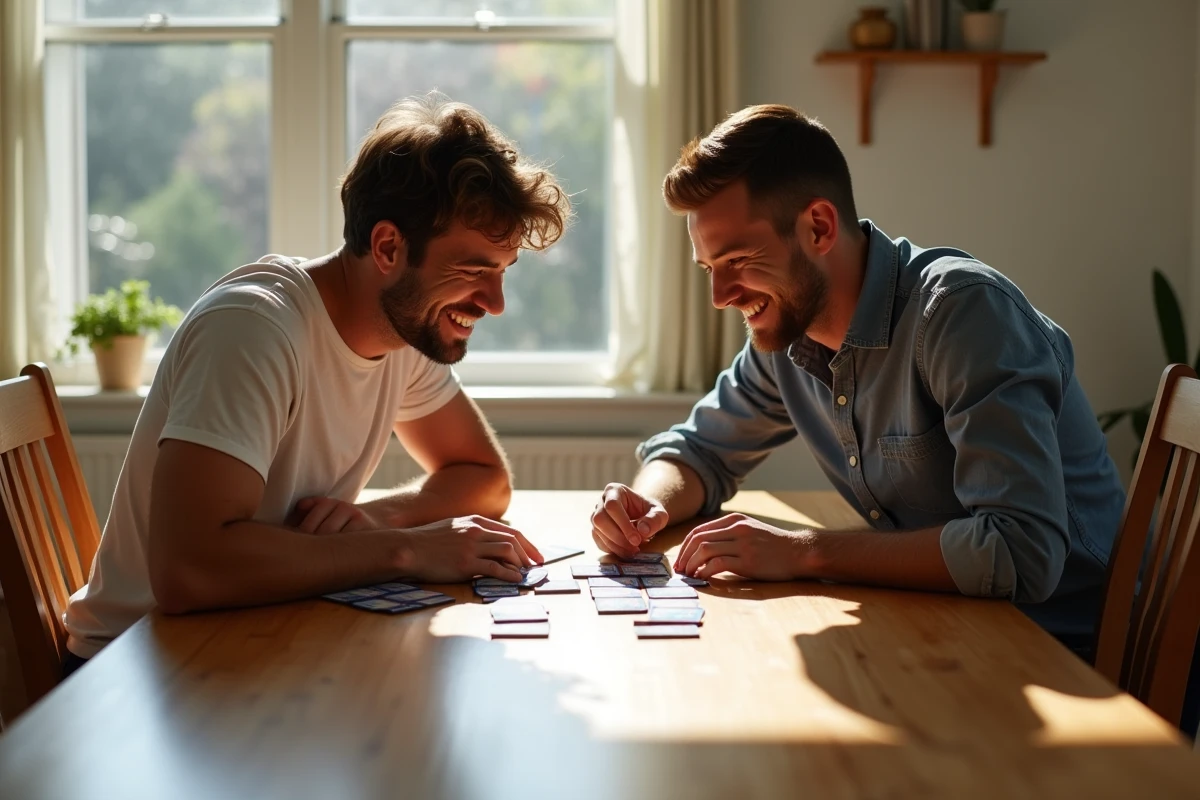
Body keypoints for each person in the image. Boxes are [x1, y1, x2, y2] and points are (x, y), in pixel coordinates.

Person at [590, 104, 1126, 652]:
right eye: (710, 269)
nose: (720, 296)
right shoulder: (790, 332)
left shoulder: (961, 315)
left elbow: (1020, 550)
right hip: (952, 632)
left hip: (1070, 656)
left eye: (740, 260)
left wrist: (804, 551)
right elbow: (700, 451)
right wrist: (647, 505)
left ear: (818, 227)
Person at [62, 95, 569, 669]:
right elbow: (189, 570)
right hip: (138, 669)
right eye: (474, 269)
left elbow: (483, 478)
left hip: (254, 638)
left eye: (501, 272)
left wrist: (377, 519)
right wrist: (404, 550)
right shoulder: (253, 329)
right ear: (387, 247)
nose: (495, 304)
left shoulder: (404, 325)